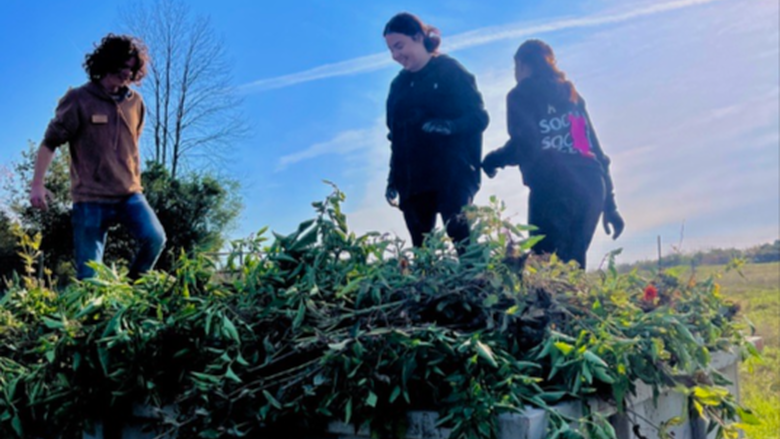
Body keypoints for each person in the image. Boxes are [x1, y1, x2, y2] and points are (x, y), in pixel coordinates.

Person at [30, 34, 166, 280]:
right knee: (89, 278)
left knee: (155, 238)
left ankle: (131, 291)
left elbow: (131, 143)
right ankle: (93, 314)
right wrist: (38, 184)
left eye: (131, 69)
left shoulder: (136, 103)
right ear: (106, 63)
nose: (127, 74)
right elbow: (49, 143)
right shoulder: (78, 99)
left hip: (129, 195)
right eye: (122, 67)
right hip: (90, 198)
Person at [482, 39, 624, 269]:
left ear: (521, 65)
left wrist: (493, 160)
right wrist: (610, 206)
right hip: (591, 187)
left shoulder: (521, 95)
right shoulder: (570, 95)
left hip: (553, 187)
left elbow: (525, 144)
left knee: (544, 267)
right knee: (573, 267)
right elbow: (589, 148)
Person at [383, 12, 489, 253]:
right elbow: (395, 138)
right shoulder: (397, 88)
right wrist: (393, 178)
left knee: (462, 239)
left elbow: (479, 117)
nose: (396, 55)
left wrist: (450, 126)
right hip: (412, 181)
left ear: (418, 37)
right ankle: (429, 289)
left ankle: (478, 284)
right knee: (422, 250)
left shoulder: (450, 71)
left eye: (399, 46)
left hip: (452, 172)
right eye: (391, 50)